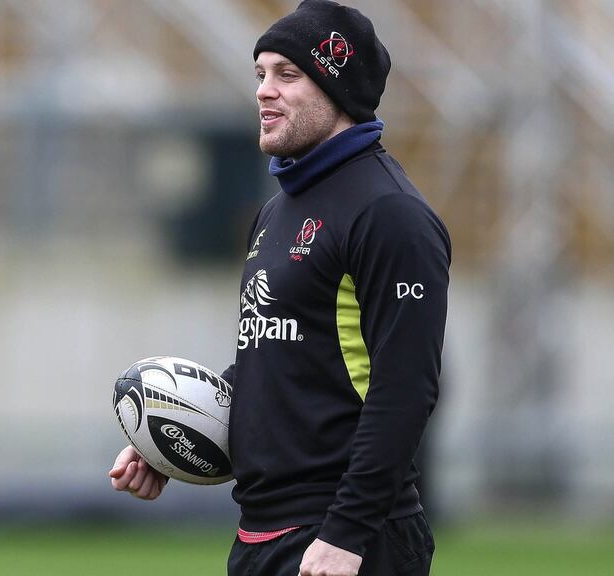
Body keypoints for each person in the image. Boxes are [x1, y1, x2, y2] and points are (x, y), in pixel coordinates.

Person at [109, 1, 451, 575]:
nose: (265, 91)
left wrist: (348, 532)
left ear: (337, 90)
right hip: (263, 529)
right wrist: (170, 434)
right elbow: (271, 359)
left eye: (287, 75)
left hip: (348, 536)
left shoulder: (389, 213)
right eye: (261, 74)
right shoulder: (277, 210)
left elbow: (406, 390)